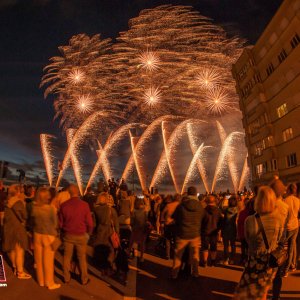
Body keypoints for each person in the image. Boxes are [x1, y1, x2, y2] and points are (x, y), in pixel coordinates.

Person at [234, 186, 281, 300]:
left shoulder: (250, 220)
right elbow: (279, 238)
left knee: (251, 291)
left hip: (255, 259)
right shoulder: (277, 218)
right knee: (263, 289)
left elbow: (248, 239)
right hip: (271, 260)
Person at [59, 184, 93, 285]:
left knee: (66, 257)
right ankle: (84, 279)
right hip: (81, 235)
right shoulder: (84, 205)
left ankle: (66, 277)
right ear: (77, 192)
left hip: (68, 234)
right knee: (81, 258)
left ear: (68, 193)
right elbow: (90, 224)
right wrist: (89, 234)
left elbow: (60, 223)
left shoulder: (63, 205)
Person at [171, 186, 205, 279]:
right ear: (195, 193)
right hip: (195, 234)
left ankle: (174, 274)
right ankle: (195, 273)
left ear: (188, 193)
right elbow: (203, 218)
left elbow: (174, 217)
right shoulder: (200, 206)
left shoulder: (181, 205)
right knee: (195, 255)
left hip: (182, 234)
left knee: (178, 255)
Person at [31, 187, 61, 289]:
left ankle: (41, 281)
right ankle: (50, 283)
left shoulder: (34, 207)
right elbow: (55, 224)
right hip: (48, 236)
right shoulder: (51, 209)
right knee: (48, 261)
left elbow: (32, 222)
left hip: (37, 234)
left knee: (38, 259)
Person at [2, 184, 31, 279]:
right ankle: (20, 272)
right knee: (19, 251)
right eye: (20, 191)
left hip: (8, 228)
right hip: (17, 229)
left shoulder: (7, 201)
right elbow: (25, 216)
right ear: (17, 192)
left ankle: (15, 267)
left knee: (13, 250)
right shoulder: (18, 202)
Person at [269, 179, 289, 300]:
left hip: (269, 242)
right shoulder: (285, 206)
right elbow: (286, 227)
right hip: (281, 242)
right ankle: (276, 296)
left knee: (266, 272)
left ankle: (265, 293)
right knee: (278, 274)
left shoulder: (268, 205)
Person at [93, 193, 119, 274]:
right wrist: (117, 233)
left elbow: (94, 224)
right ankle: (109, 266)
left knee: (101, 250)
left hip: (100, 232)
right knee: (110, 250)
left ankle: (102, 268)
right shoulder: (111, 210)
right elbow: (116, 223)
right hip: (109, 232)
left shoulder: (96, 209)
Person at [201, 195, 223, 267]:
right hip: (214, 231)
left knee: (205, 247)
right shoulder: (218, 211)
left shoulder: (204, 210)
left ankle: (204, 262)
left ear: (207, 201)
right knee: (213, 247)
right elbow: (221, 221)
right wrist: (219, 229)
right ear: (214, 201)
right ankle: (213, 262)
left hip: (205, 231)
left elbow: (201, 221)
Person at [283, 183, 299, 275]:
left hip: (288, 227)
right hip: (296, 226)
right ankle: (292, 265)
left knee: (283, 247)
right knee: (292, 247)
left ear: (288, 190)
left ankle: (285, 268)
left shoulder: (285, 201)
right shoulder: (298, 200)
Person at [129, 198, 148, 262]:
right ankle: (141, 257)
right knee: (142, 244)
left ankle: (128, 253)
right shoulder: (145, 211)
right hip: (142, 229)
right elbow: (146, 220)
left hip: (135, 229)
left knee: (131, 242)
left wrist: (132, 225)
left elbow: (132, 221)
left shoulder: (134, 211)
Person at [161, 194, 180, 259]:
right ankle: (175, 255)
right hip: (176, 225)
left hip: (168, 224)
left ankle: (167, 255)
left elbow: (163, 213)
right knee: (176, 241)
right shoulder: (180, 206)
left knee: (167, 240)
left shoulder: (168, 205)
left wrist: (162, 222)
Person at [221, 196, 238, 265]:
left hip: (225, 229)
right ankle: (232, 259)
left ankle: (226, 259)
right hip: (233, 229)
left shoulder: (225, 210)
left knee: (226, 245)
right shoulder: (238, 210)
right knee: (233, 245)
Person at [237, 198, 254, 264]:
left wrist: (238, 233)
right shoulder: (253, 214)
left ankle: (242, 259)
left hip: (243, 233)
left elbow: (239, 223)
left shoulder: (242, 213)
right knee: (249, 247)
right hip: (250, 234)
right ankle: (247, 259)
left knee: (243, 247)